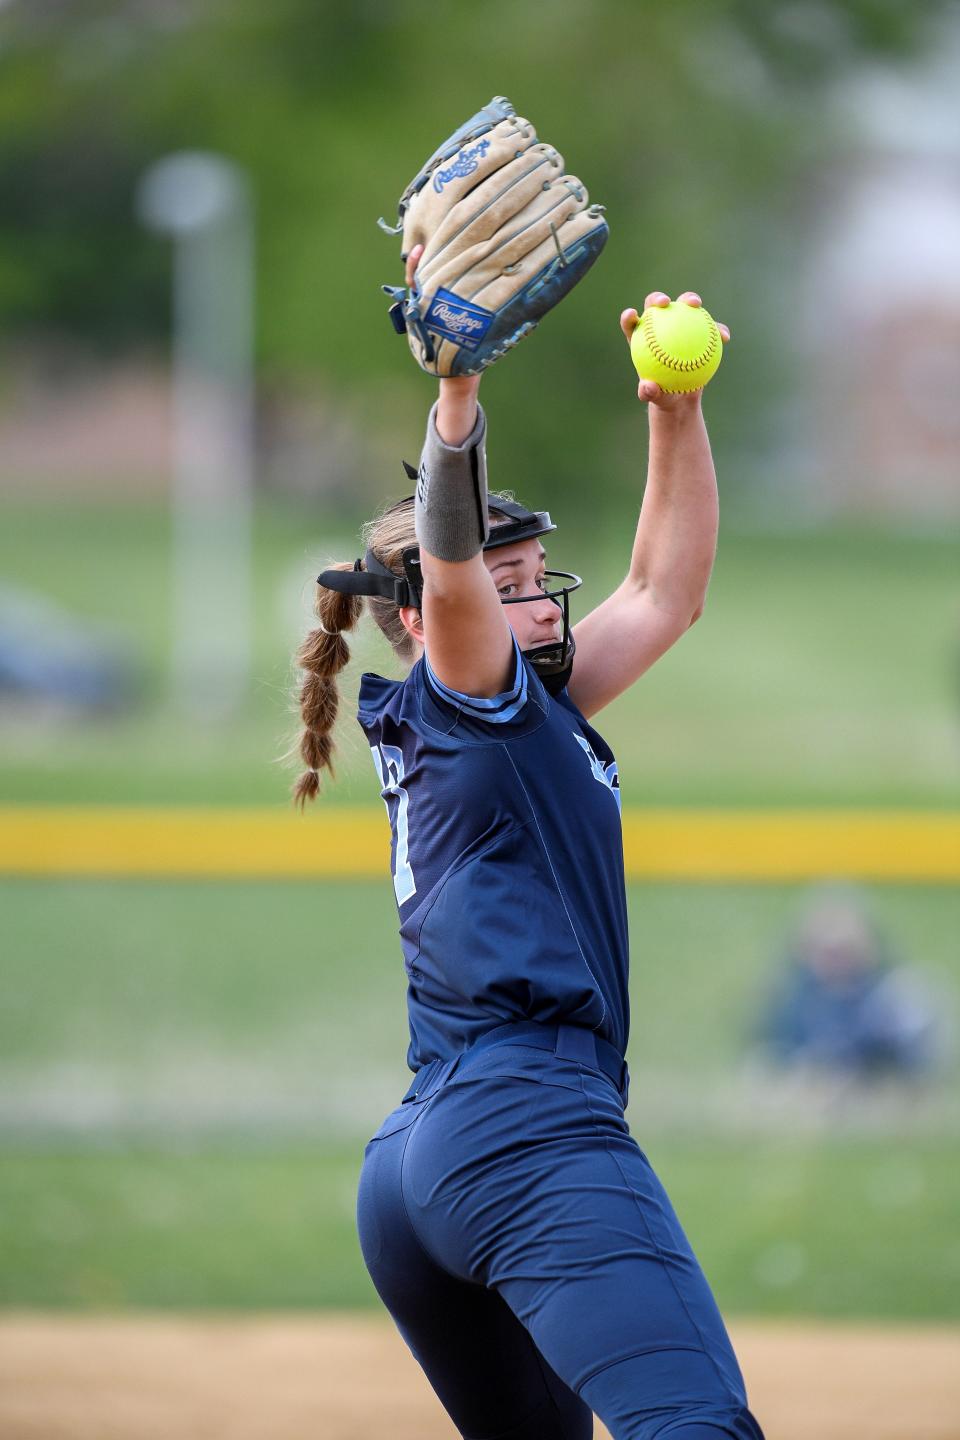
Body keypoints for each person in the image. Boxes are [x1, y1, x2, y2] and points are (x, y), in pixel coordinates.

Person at [293, 247, 763, 1440]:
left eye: (538, 579)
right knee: (696, 1426)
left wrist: (677, 412)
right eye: (509, 587)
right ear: (424, 622)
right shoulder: (466, 691)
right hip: (525, 1127)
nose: (541, 603)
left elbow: (665, 590)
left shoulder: (513, 719)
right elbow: (450, 573)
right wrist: (455, 404)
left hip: (421, 1159)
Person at [755, 884, 939, 1082]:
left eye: (844, 950)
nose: (835, 963)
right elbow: (775, 1052)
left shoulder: (893, 997)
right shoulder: (795, 999)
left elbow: (913, 1063)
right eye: (825, 952)